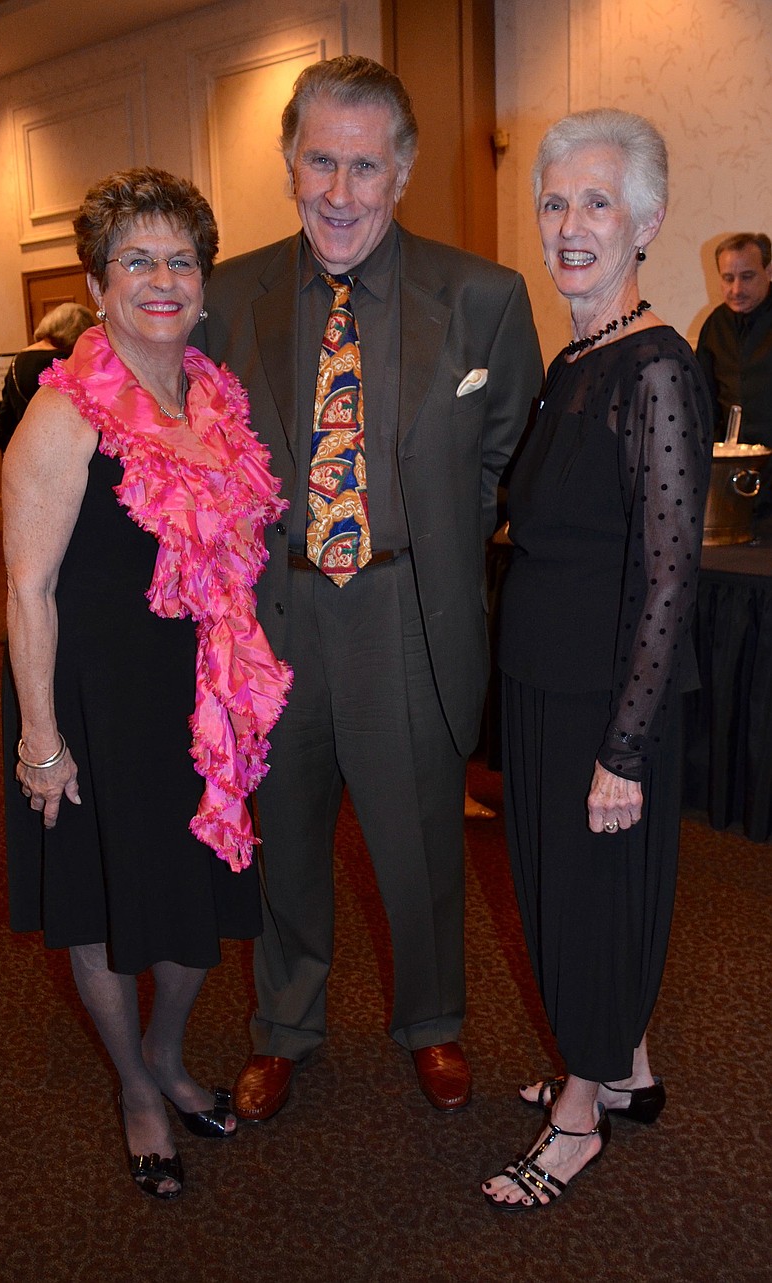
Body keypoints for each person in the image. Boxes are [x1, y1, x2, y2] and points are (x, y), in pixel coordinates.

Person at [195, 55, 542, 1122]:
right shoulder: (230, 294)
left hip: (406, 615)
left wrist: (421, 538)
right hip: (277, 616)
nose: (338, 193)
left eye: (362, 166)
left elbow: (506, 455)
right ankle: (287, 1024)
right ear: (289, 162)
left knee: (422, 844)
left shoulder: (483, 298)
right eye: (318, 163)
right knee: (285, 839)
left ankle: (431, 1020)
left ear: (402, 170)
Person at [1, 167, 291, 1200]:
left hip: (197, 697)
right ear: (100, 278)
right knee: (100, 906)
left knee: (198, 899)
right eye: (137, 259)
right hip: (92, 697)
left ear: (203, 283)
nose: (161, 278)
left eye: (180, 259)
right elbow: (28, 591)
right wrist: (42, 739)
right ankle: (134, 1083)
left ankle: (169, 1051)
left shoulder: (214, 396)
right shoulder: (65, 413)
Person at [481, 109, 711, 1212]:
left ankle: (579, 1112)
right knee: (566, 892)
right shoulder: (577, 353)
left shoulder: (656, 369)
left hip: (601, 699)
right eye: (554, 200)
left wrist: (623, 747)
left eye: (597, 201)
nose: (569, 225)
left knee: (583, 900)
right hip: (541, 680)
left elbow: (670, 577)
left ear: (647, 221)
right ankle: (625, 1064)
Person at [695, 232, 772, 526]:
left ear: (769, 270)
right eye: (728, 278)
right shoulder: (714, 325)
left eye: (748, 276)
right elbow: (705, 405)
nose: (736, 288)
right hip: (732, 476)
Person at [0, 301, 94, 452]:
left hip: (24, 450)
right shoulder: (63, 362)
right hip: (59, 450)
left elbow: (4, 425)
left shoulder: (17, 360)